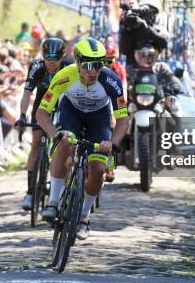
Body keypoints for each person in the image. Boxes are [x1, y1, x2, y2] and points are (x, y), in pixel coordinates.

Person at [37, 38, 128, 240]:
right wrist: (55, 134)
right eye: (87, 66)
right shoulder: (64, 76)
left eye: (98, 65)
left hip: (99, 117)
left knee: (98, 168)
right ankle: (53, 202)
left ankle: (84, 217)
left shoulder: (111, 80)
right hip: (72, 113)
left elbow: (123, 119)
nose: (92, 71)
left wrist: (113, 143)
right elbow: (41, 113)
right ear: (77, 63)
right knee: (65, 144)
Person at [14, 37, 69, 210]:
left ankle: (62, 191)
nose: (51, 63)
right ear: (43, 55)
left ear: (63, 56)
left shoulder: (68, 68)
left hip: (62, 105)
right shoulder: (37, 66)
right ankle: (30, 193)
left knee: (62, 146)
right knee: (36, 144)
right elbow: (27, 93)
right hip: (42, 106)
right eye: (48, 58)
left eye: (55, 59)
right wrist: (22, 115)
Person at [119, 0, 168, 67]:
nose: (149, 16)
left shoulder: (158, 29)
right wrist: (126, 30)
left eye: (152, 13)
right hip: (134, 69)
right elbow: (124, 50)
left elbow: (164, 43)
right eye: (146, 13)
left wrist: (146, 28)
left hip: (154, 69)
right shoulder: (133, 29)